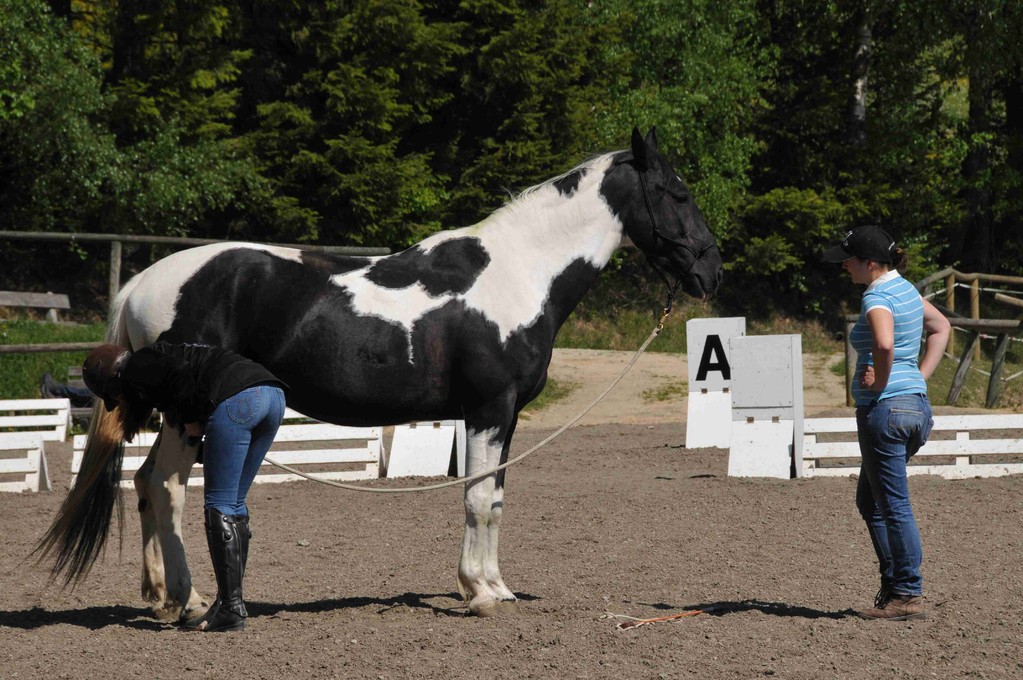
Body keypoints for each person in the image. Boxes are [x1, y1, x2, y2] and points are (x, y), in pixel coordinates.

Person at [81, 341, 287, 633]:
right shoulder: (170, 350)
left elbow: (180, 376)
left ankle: (230, 607)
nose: (120, 397)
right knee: (236, 505)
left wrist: (191, 422)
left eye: (115, 393)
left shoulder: (135, 367)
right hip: (272, 395)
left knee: (220, 504)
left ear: (113, 379)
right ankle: (231, 602)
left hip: (238, 400)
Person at [823, 225, 950, 621]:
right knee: (870, 500)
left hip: (886, 411)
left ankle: (906, 594)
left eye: (849, 259)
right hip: (914, 407)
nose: (844, 265)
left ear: (870, 263)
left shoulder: (876, 296)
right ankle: (895, 584)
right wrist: (918, 377)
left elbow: (883, 344)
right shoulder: (909, 290)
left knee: (892, 504)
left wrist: (880, 380)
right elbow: (942, 327)